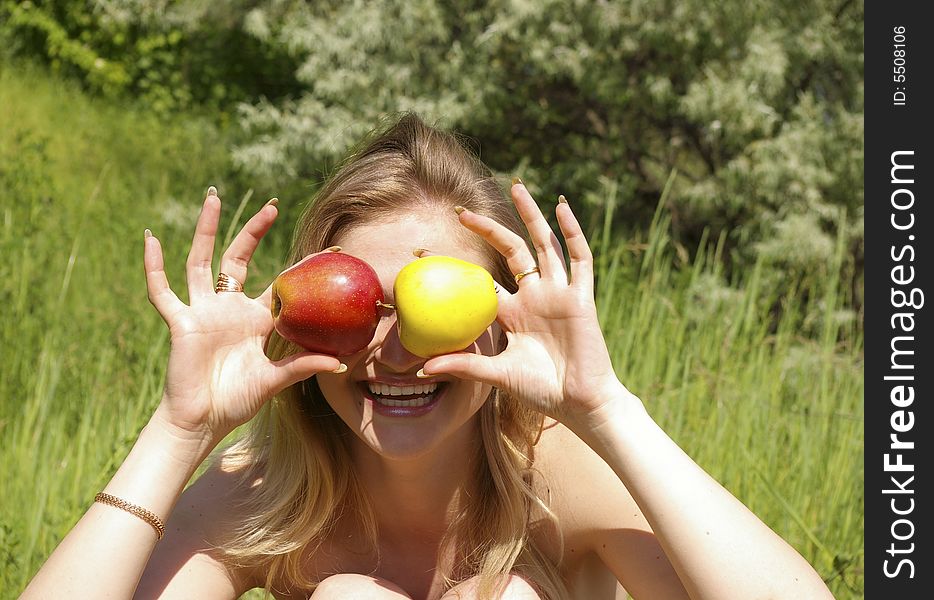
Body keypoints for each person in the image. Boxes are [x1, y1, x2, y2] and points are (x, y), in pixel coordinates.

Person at [21, 114, 834, 600]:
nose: (396, 350)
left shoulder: (552, 475)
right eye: (356, 310)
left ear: (502, 320)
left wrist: (608, 411)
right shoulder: (276, 491)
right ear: (303, 322)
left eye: (435, 308)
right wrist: (179, 429)